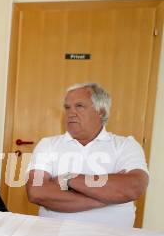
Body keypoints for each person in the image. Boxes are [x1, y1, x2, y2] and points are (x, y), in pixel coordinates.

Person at [26, 82, 149, 228]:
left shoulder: (125, 145)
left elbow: (133, 187)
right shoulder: (47, 145)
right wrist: (108, 198)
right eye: (67, 107)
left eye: (79, 106)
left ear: (101, 111)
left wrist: (69, 178)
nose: (71, 113)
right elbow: (36, 191)